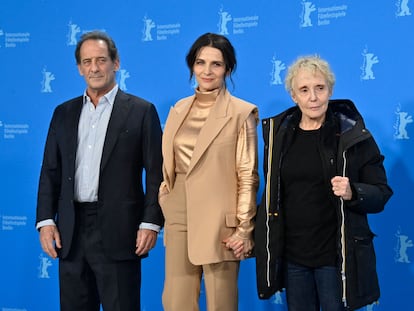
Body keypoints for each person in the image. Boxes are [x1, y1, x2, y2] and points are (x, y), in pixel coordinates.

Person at [35, 30, 163, 311]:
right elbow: (50, 171)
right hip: (70, 232)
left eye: (102, 60)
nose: (95, 68)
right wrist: (45, 220)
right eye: (87, 61)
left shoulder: (142, 111)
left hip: (121, 232)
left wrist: (150, 222)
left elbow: (156, 174)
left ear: (116, 63)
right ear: (79, 68)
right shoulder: (63, 113)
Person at [254, 55, 393, 311]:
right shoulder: (280, 137)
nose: (313, 97)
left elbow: (381, 193)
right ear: (294, 96)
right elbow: (273, 196)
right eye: (304, 90)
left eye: (320, 88)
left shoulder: (353, 135)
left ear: (330, 90)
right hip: (294, 257)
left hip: (335, 257)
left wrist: (354, 191)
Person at [159, 32, 259, 311]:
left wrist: (244, 228)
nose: (207, 70)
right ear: (192, 65)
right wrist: (166, 196)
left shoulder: (242, 112)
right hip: (179, 213)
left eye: (216, 64)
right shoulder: (178, 109)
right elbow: (169, 163)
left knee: (221, 303)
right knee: (175, 301)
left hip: (220, 221)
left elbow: (247, 175)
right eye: (200, 62)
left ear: (228, 68)